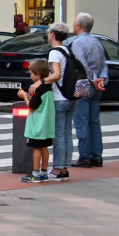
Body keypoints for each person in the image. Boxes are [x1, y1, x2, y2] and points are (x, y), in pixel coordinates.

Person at [70, 13, 107, 168]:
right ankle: (97, 156)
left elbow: (82, 65)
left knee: (82, 121)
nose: (72, 25)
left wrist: (94, 79)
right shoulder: (97, 41)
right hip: (97, 85)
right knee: (94, 121)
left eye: (74, 23)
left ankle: (85, 156)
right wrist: (101, 79)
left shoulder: (77, 43)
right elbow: (104, 63)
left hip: (84, 85)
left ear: (79, 26)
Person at [42, 23, 75, 180]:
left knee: (59, 135)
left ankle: (57, 169)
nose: (47, 34)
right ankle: (64, 169)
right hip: (70, 97)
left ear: (53, 34)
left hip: (59, 97)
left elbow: (56, 75)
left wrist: (40, 81)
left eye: (48, 32)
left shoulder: (55, 53)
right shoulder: (67, 50)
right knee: (67, 134)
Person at [18, 60, 56, 183]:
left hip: (37, 125)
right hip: (46, 125)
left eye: (31, 73)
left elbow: (31, 107)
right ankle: (44, 172)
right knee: (44, 147)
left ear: (38, 74)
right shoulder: (48, 88)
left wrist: (24, 96)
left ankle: (35, 173)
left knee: (36, 148)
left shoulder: (39, 89)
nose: (30, 76)